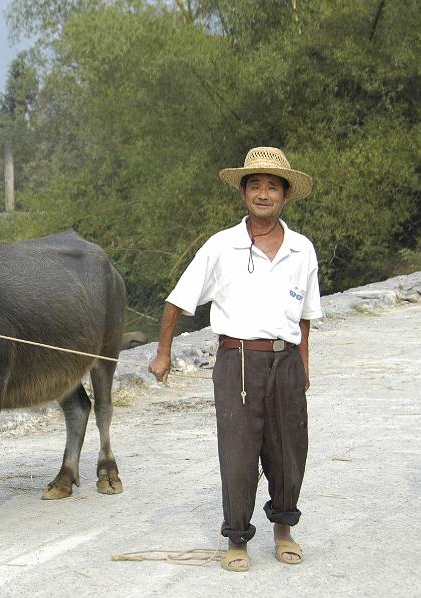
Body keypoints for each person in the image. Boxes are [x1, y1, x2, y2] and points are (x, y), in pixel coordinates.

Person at [148, 147, 322, 572]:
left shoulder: (302, 250)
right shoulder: (221, 246)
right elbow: (177, 302)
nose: (264, 193)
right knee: (239, 452)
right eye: (256, 185)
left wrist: (303, 366)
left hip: (285, 363)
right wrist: (163, 353)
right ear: (244, 192)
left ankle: (284, 529)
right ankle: (237, 537)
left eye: (272, 186)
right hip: (237, 361)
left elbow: (304, 319)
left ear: (285, 195)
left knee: (288, 450)